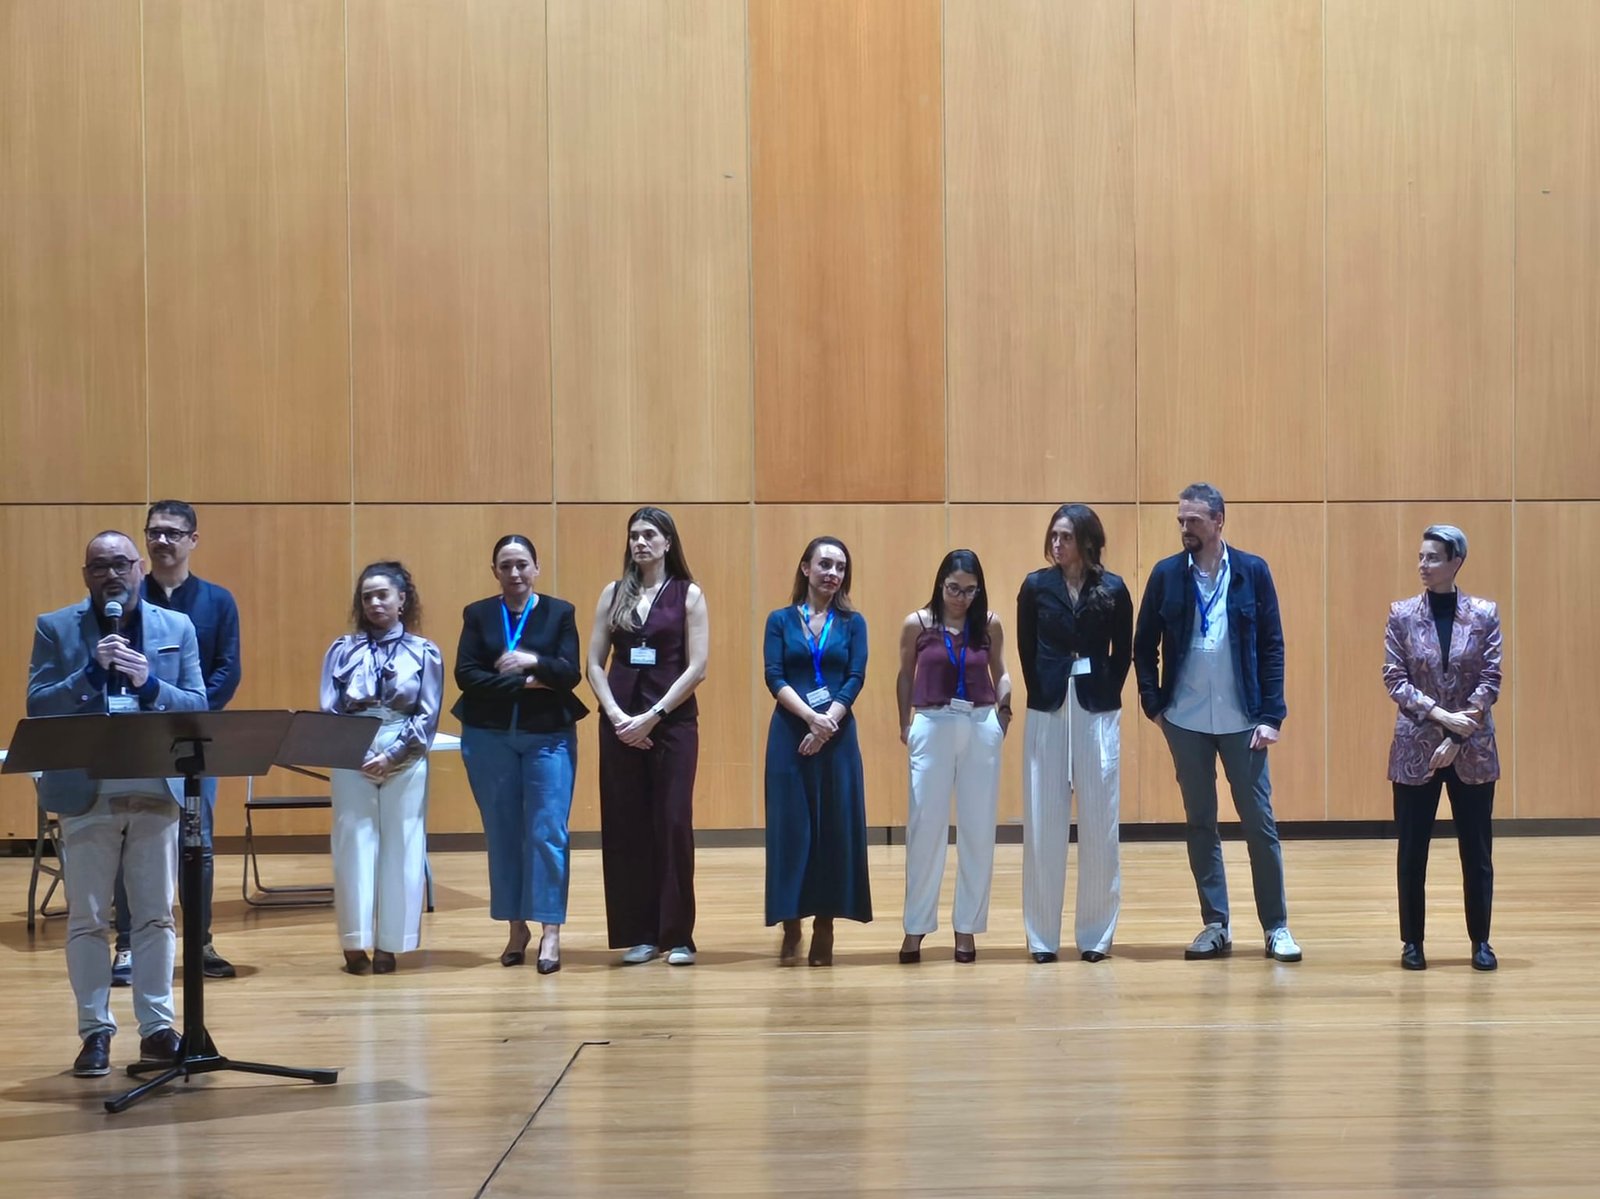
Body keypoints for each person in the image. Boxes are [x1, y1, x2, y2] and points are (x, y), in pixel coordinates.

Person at [27, 531, 207, 1077]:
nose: (112, 575)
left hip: (156, 789)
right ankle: (95, 1034)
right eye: (100, 566)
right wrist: (88, 674)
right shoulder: (55, 627)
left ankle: (156, 1030)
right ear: (87, 575)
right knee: (87, 919)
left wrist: (148, 683)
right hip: (86, 793)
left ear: (138, 568)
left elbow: (197, 704)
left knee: (155, 916)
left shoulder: (176, 627)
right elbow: (37, 706)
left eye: (121, 564)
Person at [1133, 483, 1302, 963]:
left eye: (1194, 520)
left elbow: (1273, 645)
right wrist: (1155, 706)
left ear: (1219, 520)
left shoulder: (1252, 572)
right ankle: (1216, 923)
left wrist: (1272, 715)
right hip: (1184, 720)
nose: (1185, 528)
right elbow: (1143, 645)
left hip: (1243, 720)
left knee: (1258, 824)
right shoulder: (1167, 575)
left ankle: (1276, 927)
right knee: (1200, 822)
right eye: (1180, 520)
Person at [110, 501, 242, 986]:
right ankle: (127, 944)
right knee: (130, 839)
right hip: (134, 738)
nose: (162, 541)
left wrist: (193, 711)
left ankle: (200, 941)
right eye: (154, 533)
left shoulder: (217, 601)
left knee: (197, 844)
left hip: (193, 739)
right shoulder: (123, 598)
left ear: (193, 540)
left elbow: (228, 669)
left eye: (172, 533)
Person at [456, 535, 588, 974]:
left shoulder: (559, 612)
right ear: (494, 570)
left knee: (548, 832)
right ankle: (516, 927)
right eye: (506, 566)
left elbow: (569, 674)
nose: (515, 573)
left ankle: (551, 931)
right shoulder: (477, 614)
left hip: (547, 735)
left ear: (537, 569)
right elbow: (467, 675)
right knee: (503, 833)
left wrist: (529, 660)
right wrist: (530, 681)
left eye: (522, 565)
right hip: (488, 736)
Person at [586, 508, 709, 966]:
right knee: (626, 825)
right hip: (619, 724)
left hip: (671, 723)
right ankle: (640, 932)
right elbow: (594, 662)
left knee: (672, 823)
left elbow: (698, 667)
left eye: (649, 535)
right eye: (634, 535)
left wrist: (653, 716)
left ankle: (677, 934)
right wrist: (618, 716)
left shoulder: (688, 595)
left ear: (667, 542)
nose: (640, 542)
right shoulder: (613, 593)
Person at [1016, 505, 1133, 964]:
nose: (1057, 544)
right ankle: (1042, 937)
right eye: (1054, 536)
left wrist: (1102, 686)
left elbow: (1122, 652)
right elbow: (1027, 649)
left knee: (1100, 823)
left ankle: (1095, 936)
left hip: (1097, 708)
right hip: (1047, 706)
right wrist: (1046, 683)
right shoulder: (1035, 586)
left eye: (1065, 536)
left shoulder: (1114, 588)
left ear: (1086, 540)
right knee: (1043, 821)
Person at [1382, 525, 1501, 972]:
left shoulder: (1485, 614)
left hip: (1470, 749)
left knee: (1477, 852)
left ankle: (1481, 942)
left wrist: (1456, 734)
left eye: (1432, 558)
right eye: (1420, 557)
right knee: (1412, 850)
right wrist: (1440, 716)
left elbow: (1490, 681)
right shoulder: (1402, 614)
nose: (1423, 566)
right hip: (1416, 748)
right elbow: (1394, 677)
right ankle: (1412, 942)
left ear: (1456, 562)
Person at [319, 562, 442, 974]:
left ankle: (392, 943)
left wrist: (393, 755)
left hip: (403, 749)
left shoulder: (425, 652)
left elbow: (427, 715)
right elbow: (329, 708)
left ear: (402, 599)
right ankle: (355, 942)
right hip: (351, 748)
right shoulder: (341, 648)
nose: (374, 603)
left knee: (403, 845)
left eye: (382, 594)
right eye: (367, 596)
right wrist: (354, 751)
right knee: (353, 841)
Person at [895, 550, 1010, 964]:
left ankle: (967, 928)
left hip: (980, 725)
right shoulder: (918, 624)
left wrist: (1005, 710)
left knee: (978, 831)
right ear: (940, 582)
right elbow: (906, 674)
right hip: (932, 721)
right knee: (925, 829)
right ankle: (916, 927)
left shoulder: (989, 624)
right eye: (953, 588)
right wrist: (905, 722)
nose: (961, 597)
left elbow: (1001, 669)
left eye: (970, 590)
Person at [764, 536, 871, 966]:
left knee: (834, 831)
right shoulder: (780, 619)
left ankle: (824, 924)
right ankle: (791, 922)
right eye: (825, 564)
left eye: (840, 567)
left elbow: (855, 674)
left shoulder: (852, 622)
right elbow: (773, 675)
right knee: (791, 831)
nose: (833, 573)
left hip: (838, 737)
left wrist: (828, 723)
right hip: (790, 735)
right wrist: (811, 718)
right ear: (805, 568)